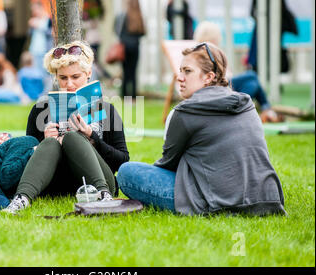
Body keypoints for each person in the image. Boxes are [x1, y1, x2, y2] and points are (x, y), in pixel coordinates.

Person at [117, 42, 287, 216]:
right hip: (266, 197)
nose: (180, 77)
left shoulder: (186, 111)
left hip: (218, 201)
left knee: (127, 172)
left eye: (187, 71)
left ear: (209, 77)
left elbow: (168, 164)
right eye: (180, 70)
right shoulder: (246, 104)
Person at [2, 41, 130, 213]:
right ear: (56, 77)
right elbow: (26, 156)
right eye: (63, 78)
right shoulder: (41, 110)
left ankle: (103, 196)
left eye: (75, 77)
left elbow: (122, 161)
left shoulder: (106, 109)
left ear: (88, 74)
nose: (69, 84)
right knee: (49, 143)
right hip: (55, 183)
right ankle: (21, 199)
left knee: (73, 137)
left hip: (98, 181)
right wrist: (42, 143)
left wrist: (93, 137)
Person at [193, 20, 284, 123]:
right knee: (252, 75)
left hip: (225, 87)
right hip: (218, 88)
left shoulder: (208, 52)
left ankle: (250, 110)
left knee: (253, 85)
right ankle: (267, 110)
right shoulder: (203, 53)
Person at [247, 0, 298, 76]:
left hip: (267, 31)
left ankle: (266, 77)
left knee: (262, 55)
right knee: (268, 55)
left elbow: (252, 12)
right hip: (272, 31)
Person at [114, 0, 146, 99]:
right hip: (135, 47)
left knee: (125, 71)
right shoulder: (139, 16)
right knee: (133, 72)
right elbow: (143, 32)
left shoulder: (123, 16)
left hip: (125, 48)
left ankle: (124, 95)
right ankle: (133, 96)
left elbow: (117, 30)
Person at [28, 0, 53, 93]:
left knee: (45, 73)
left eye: (35, 10)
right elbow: (30, 34)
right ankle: (39, 92)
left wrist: (39, 26)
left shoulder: (48, 20)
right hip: (35, 50)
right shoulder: (34, 20)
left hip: (45, 50)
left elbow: (52, 33)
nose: (34, 12)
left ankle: (46, 92)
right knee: (37, 73)